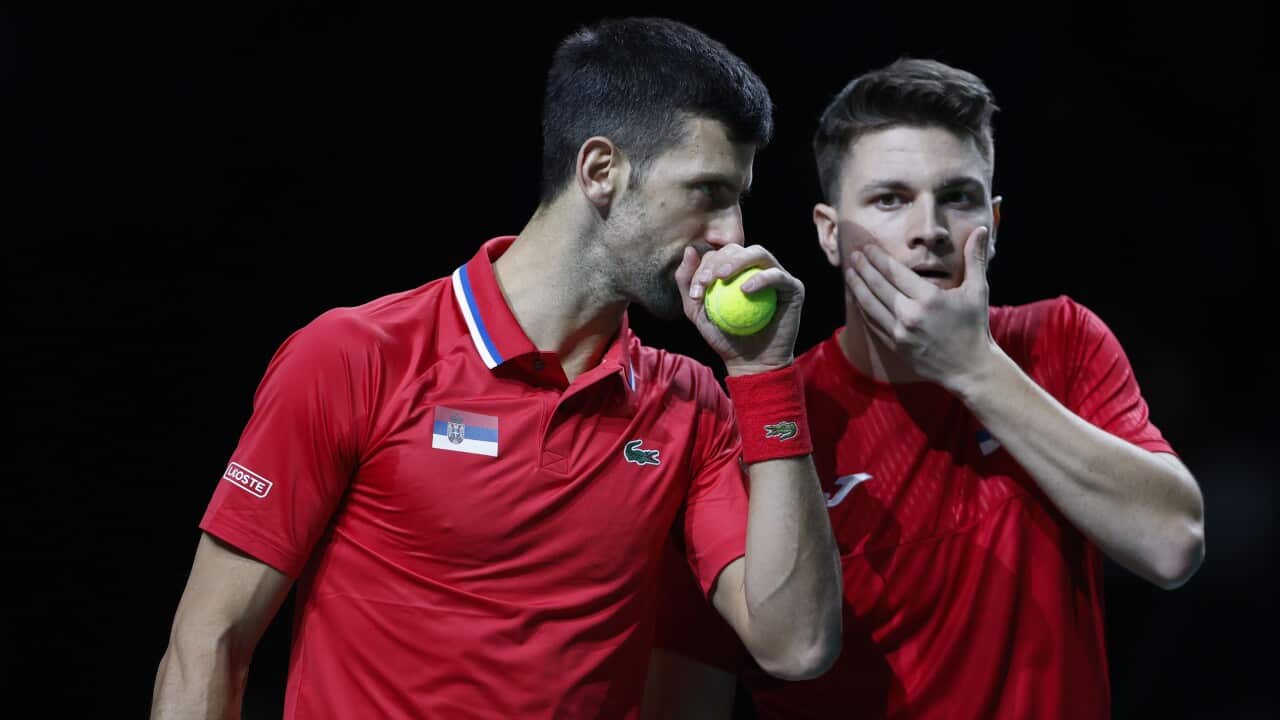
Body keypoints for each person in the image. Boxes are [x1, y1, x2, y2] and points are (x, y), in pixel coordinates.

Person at [150, 17, 843, 720]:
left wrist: (765, 377)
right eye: (707, 193)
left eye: (736, 200)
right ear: (601, 171)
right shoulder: (354, 355)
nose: (732, 235)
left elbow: (796, 644)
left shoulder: (690, 404)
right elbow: (208, 642)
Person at [646, 58, 1206, 719]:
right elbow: (689, 688)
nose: (929, 229)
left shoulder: (1060, 342)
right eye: (890, 199)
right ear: (830, 233)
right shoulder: (763, 414)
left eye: (959, 197)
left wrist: (975, 368)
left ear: (992, 226)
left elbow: (1174, 545)